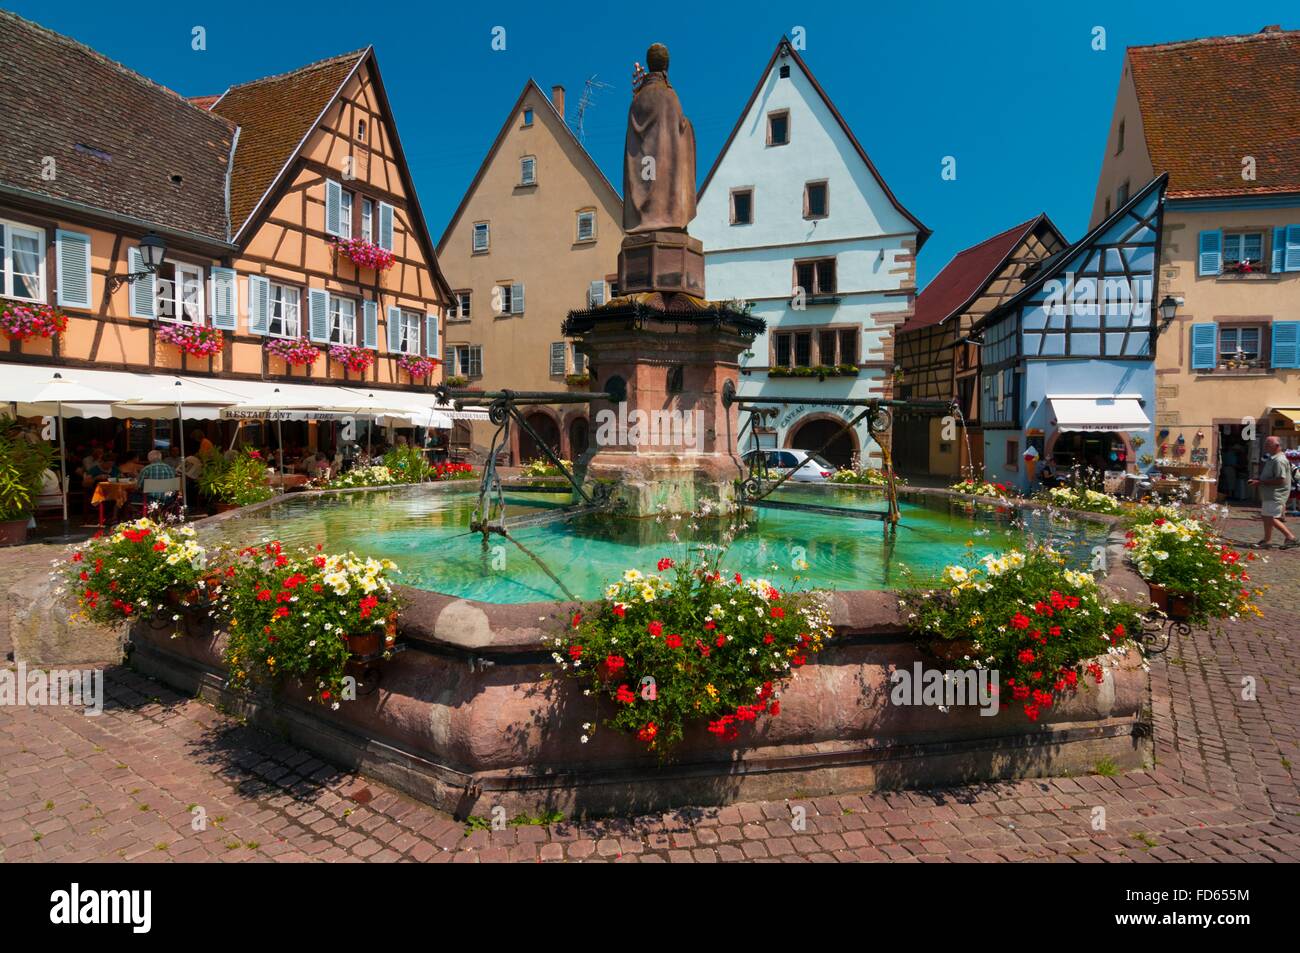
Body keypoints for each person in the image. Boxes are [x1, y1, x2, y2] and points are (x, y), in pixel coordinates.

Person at [1248, 436, 1298, 550]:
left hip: (1276, 494)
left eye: (1268, 444)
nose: (1265, 446)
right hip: (1269, 494)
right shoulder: (1273, 458)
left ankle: (1291, 537)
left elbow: (1281, 479)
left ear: (1277, 446)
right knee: (1266, 517)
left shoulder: (1279, 460)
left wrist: (1261, 482)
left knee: (1271, 518)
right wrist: (1259, 480)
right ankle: (1267, 540)